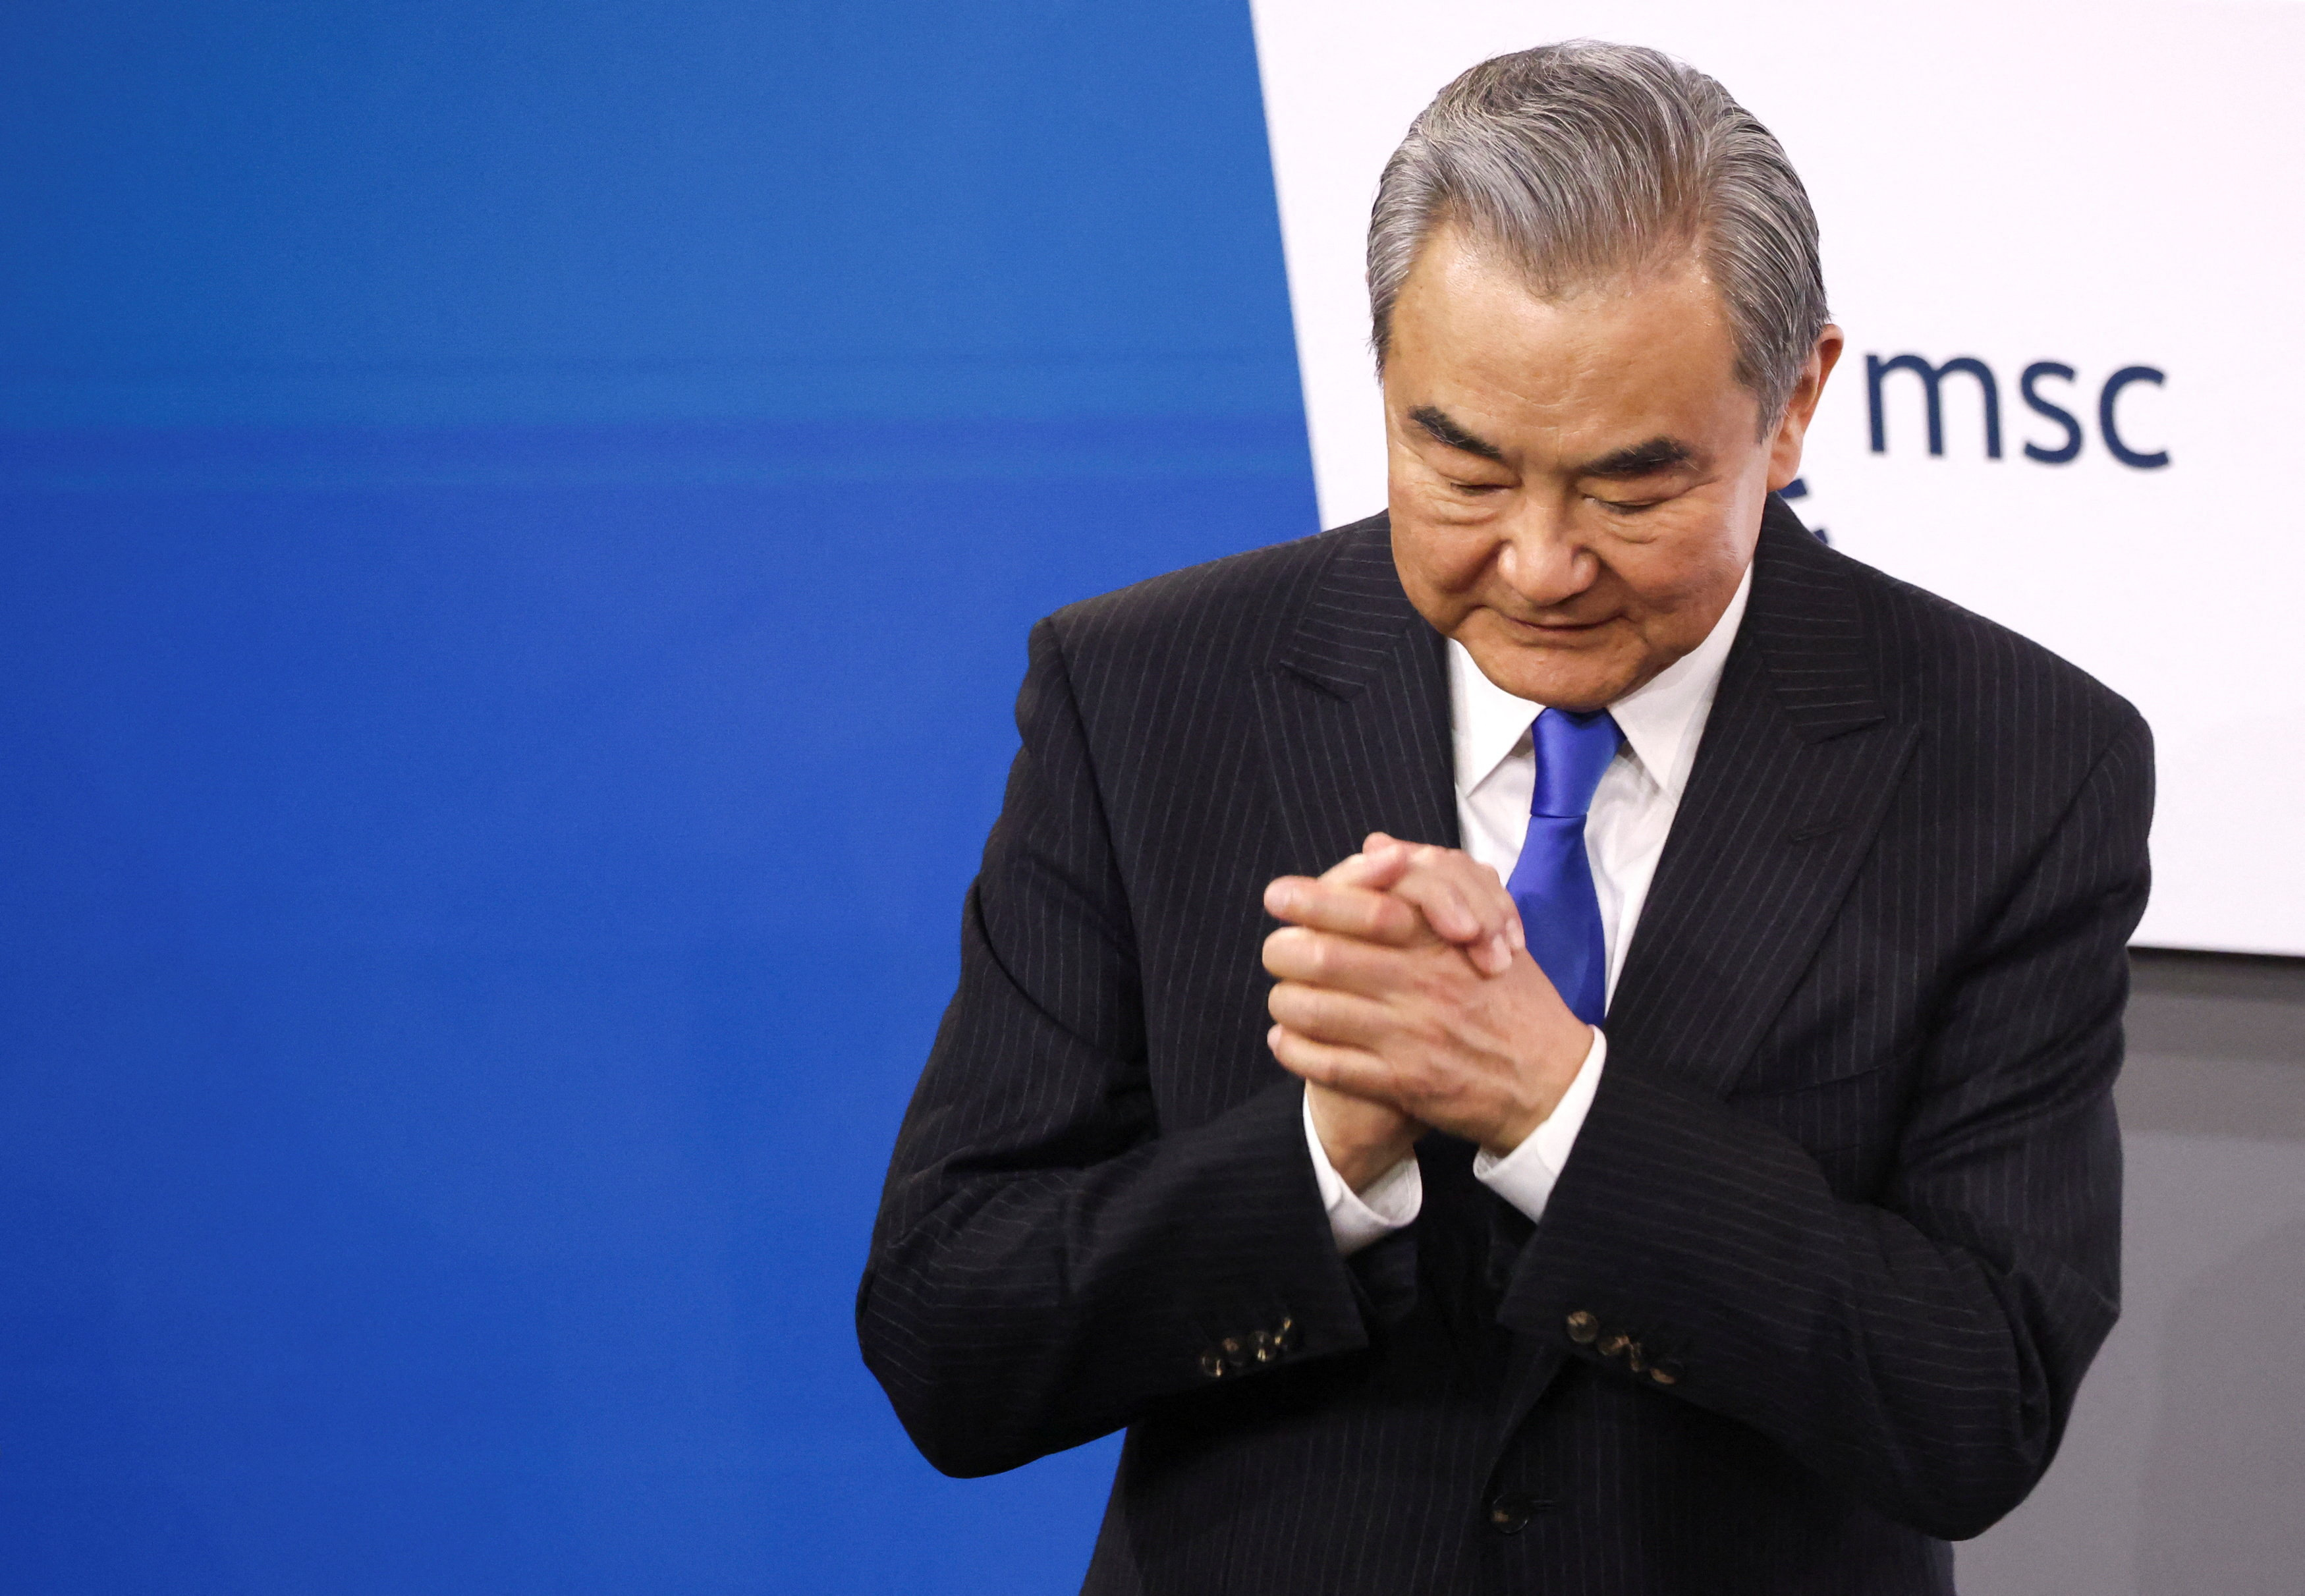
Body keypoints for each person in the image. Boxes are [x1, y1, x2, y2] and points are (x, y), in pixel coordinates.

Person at [856, 41, 2151, 1595]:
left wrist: (1556, 1110)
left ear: (1794, 404)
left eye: (1628, 490)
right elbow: (952, 1337)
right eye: (1460, 468)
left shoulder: (2014, 759)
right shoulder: (1142, 694)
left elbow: (1974, 1406)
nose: (1538, 566)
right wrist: (1328, 1153)